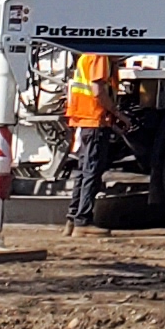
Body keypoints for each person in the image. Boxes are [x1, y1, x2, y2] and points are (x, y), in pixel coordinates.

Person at [64, 48, 118, 226]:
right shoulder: (99, 55)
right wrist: (117, 113)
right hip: (95, 119)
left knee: (83, 170)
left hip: (83, 119)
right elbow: (98, 90)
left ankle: (73, 218)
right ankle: (83, 221)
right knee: (91, 172)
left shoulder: (86, 54)